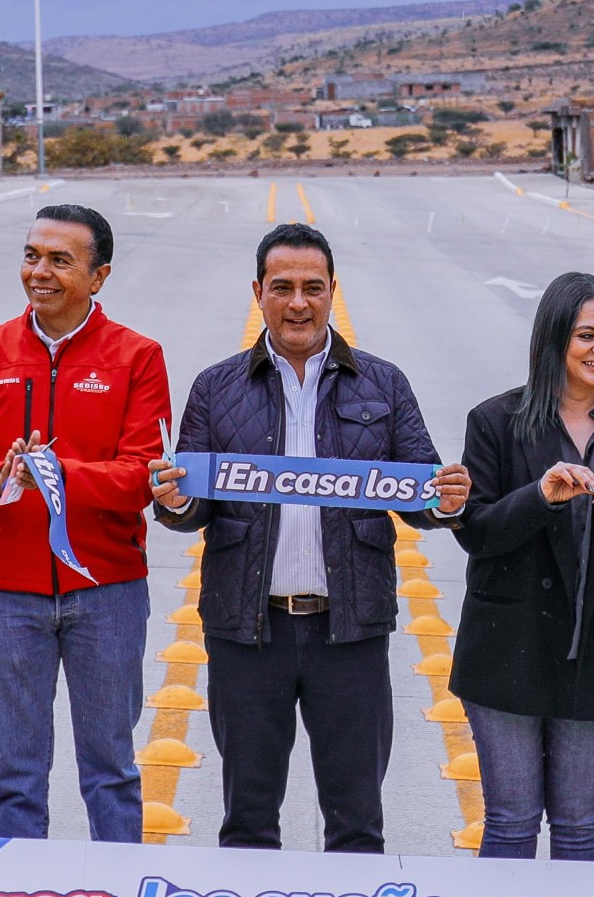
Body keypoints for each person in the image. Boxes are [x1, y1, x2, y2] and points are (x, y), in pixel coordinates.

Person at [146, 224, 470, 852]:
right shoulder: (216, 387)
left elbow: (421, 497)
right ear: (258, 293)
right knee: (246, 820)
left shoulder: (385, 384)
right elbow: (193, 507)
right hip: (246, 631)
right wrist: (175, 502)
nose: (298, 303)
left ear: (331, 292)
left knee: (356, 822)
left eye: (312, 288)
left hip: (349, 631)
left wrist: (447, 501)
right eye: (283, 287)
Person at [0, 205, 170, 842]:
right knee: (16, 775)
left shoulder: (138, 356)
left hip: (107, 594)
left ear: (100, 275)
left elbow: (140, 478)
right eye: (33, 255)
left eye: (61, 260)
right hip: (7, 598)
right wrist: (2, 481)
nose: (41, 271)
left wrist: (54, 472)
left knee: (111, 772)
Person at [449, 272, 594, 861]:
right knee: (510, 822)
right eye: (586, 335)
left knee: (580, 827)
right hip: (506, 653)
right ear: (553, 340)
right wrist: (540, 496)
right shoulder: (495, 422)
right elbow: (475, 531)